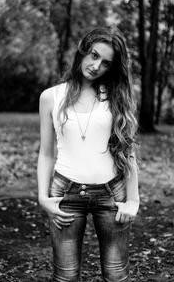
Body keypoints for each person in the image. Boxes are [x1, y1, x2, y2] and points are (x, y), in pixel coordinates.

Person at [37, 26, 140, 282]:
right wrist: (42, 196)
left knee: (116, 275)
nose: (96, 66)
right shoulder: (51, 97)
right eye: (94, 55)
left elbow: (127, 151)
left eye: (106, 63)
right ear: (83, 51)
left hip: (112, 193)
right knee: (66, 276)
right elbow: (46, 152)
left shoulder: (117, 96)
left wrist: (134, 200)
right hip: (65, 193)